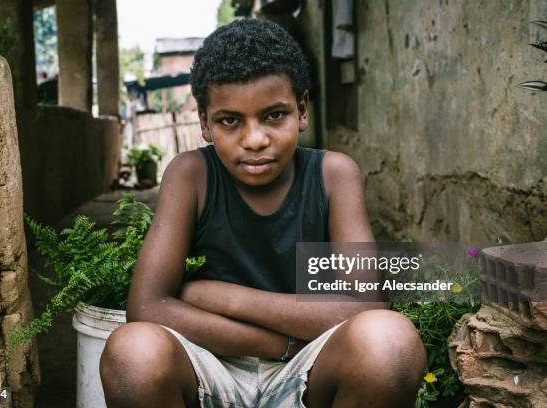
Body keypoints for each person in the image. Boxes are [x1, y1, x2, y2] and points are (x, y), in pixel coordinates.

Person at [100, 19, 426, 408]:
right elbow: (146, 307)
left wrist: (226, 297)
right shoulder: (192, 176)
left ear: (301, 110)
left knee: (390, 343)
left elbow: (366, 305)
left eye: (274, 115)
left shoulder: (333, 175)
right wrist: (280, 343)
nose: (255, 140)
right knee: (132, 352)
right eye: (230, 120)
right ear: (204, 122)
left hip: (311, 366)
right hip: (208, 361)